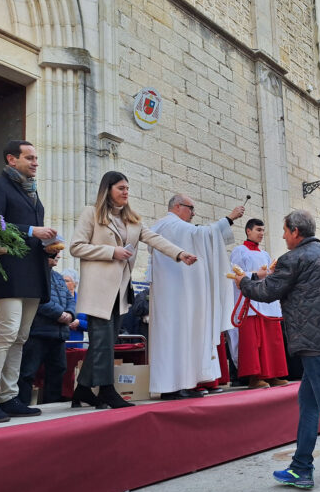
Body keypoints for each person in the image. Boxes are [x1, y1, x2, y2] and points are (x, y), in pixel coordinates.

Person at [235, 209, 320, 492]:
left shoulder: (293, 258)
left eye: (285, 231)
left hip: (314, 343)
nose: (284, 236)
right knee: (309, 403)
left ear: (296, 232)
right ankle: (301, 468)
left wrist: (243, 283)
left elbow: (265, 292)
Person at [70, 172, 197, 408]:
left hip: (120, 292)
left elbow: (155, 239)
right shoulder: (92, 214)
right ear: (108, 189)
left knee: (105, 342)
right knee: (102, 342)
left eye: (127, 188)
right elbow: (76, 247)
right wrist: (111, 252)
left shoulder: (133, 220)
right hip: (98, 290)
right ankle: (107, 391)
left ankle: (83, 389)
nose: (126, 192)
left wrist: (180, 253)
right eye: (121, 188)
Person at [0, 140, 57, 422]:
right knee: (7, 332)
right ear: (12, 159)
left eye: (36, 158)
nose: (36, 162)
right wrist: (33, 230)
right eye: (29, 157)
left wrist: (47, 252)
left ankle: (8, 396)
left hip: (34, 273)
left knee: (21, 337)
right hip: (9, 271)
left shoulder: (31, 191)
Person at [148, 193, 245, 400]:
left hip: (182, 293)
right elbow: (204, 234)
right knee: (174, 336)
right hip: (172, 295)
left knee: (185, 335)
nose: (193, 213)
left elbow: (199, 234)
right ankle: (170, 386)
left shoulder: (175, 227)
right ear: (176, 206)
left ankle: (184, 382)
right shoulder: (169, 225)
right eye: (190, 208)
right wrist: (229, 218)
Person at [228, 218, 288, 389]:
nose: (261, 233)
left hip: (267, 301)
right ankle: (254, 377)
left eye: (263, 230)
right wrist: (259, 275)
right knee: (255, 341)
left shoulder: (265, 254)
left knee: (271, 340)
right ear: (248, 231)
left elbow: (267, 273)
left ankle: (273, 374)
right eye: (258, 230)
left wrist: (272, 272)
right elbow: (235, 274)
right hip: (250, 301)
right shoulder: (240, 251)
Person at [17, 252, 76, 405]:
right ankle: (22, 404)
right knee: (28, 372)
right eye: (53, 254)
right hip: (38, 332)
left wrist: (70, 313)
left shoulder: (58, 277)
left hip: (58, 334)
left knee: (58, 371)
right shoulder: (32, 275)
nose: (58, 257)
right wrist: (59, 313)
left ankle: (52, 405)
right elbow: (37, 299)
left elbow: (70, 298)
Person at [61, 268, 87, 349]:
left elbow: (92, 325)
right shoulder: (57, 299)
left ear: (75, 283)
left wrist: (79, 323)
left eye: (67, 281)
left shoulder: (83, 301)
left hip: (76, 345)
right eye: (62, 281)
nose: (63, 283)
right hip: (59, 343)